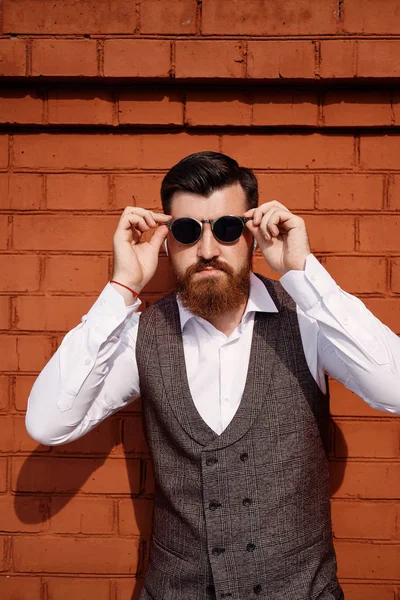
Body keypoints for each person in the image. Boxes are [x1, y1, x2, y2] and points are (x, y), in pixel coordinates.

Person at [26, 151, 400, 600]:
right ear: (166, 241)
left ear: (253, 236)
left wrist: (303, 272)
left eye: (226, 229)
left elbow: (394, 388)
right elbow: (47, 423)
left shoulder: (308, 318)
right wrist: (122, 287)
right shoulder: (141, 334)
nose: (207, 251)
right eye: (186, 231)